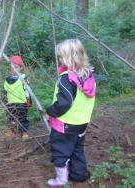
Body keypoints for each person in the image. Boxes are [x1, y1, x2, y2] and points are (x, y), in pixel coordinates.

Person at [46, 39, 96, 187]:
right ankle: (78, 175)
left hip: (64, 125)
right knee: (77, 150)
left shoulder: (66, 79)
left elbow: (64, 103)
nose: (60, 59)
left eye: (61, 57)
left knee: (60, 152)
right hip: (82, 123)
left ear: (68, 58)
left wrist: (51, 111)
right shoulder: (88, 75)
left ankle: (61, 180)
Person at [3, 55, 31, 139]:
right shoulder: (7, 79)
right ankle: (11, 131)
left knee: (22, 118)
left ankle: (24, 132)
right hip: (10, 102)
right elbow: (5, 92)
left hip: (22, 102)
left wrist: (29, 101)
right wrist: (5, 101)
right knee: (10, 117)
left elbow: (27, 90)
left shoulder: (23, 78)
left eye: (16, 67)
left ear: (21, 68)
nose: (14, 69)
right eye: (12, 67)